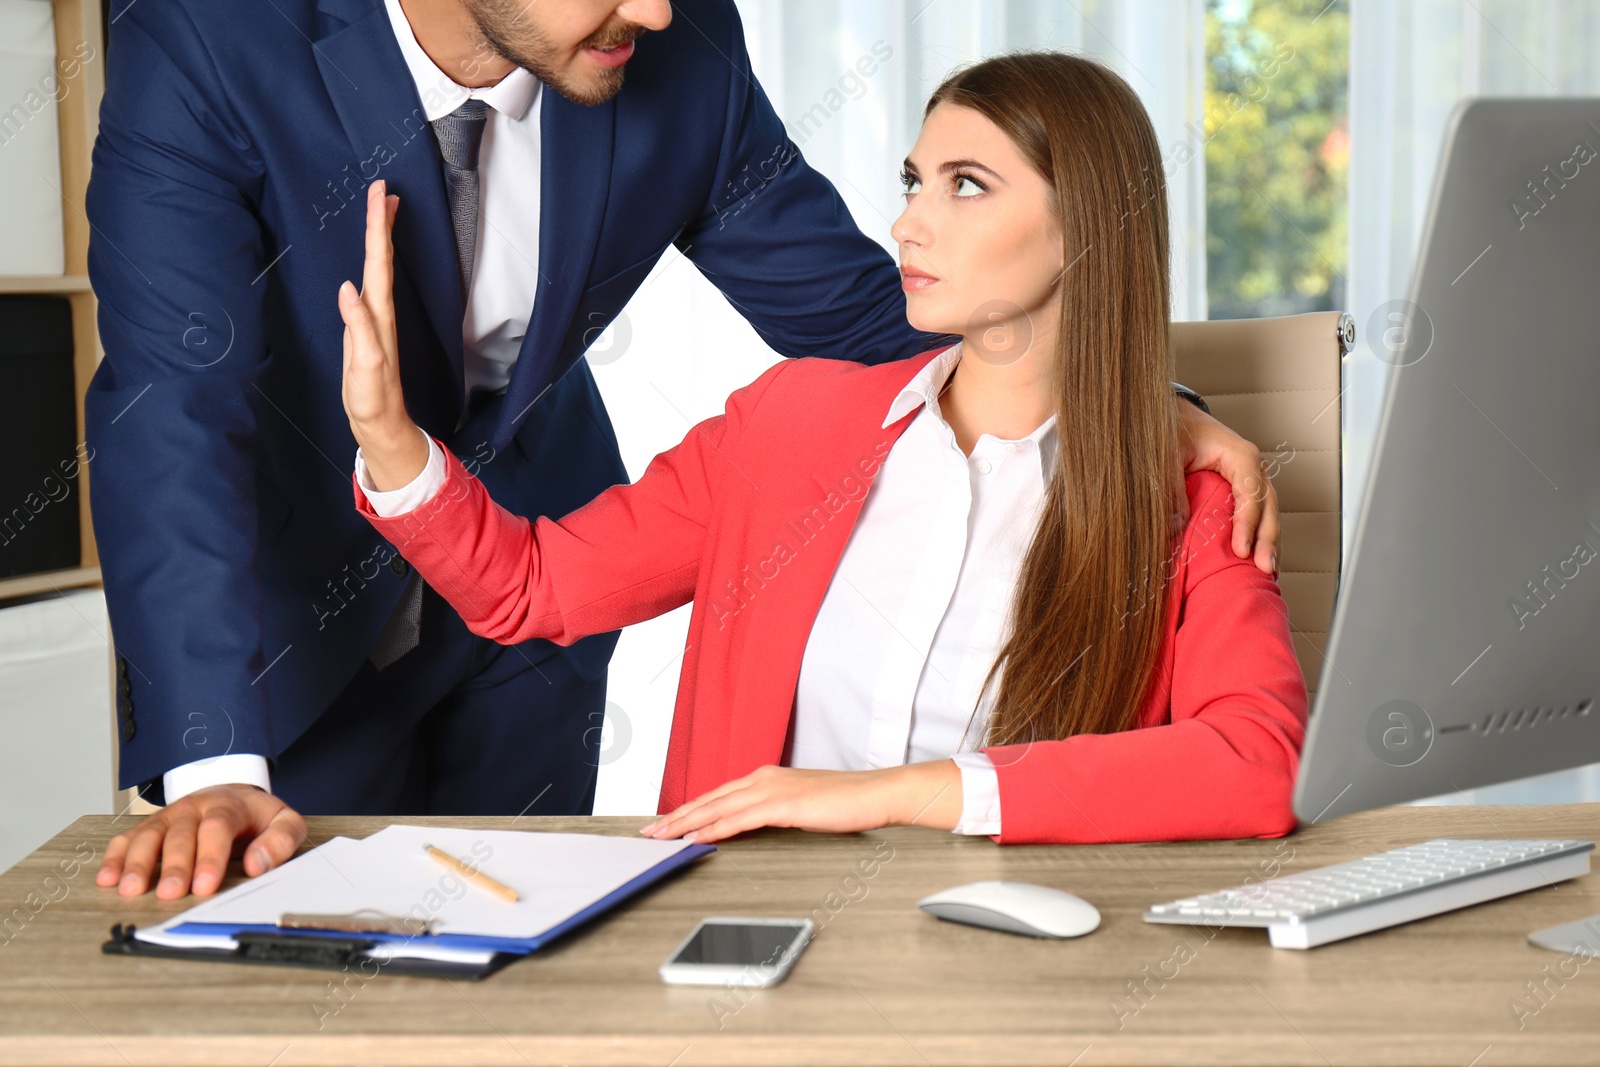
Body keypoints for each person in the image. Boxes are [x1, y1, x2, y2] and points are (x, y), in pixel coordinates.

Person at [93, 0, 1276, 899]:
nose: (658, 13)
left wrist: (1140, 403)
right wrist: (209, 766)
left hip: (530, 621)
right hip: (281, 617)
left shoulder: (672, 42)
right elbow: (174, 407)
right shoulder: (206, 37)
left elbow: (879, 315)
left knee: (523, 973)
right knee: (293, 972)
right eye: (924, 181)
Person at [342, 51, 1308, 846]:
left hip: (1021, 968)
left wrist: (894, 792)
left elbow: (1258, 763)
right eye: (915, 182)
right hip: (749, 949)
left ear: (1084, 229)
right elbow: (531, 587)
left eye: (966, 186)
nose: (908, 223)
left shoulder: (1194, 497)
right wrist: (391, 441)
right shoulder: (789, 427)